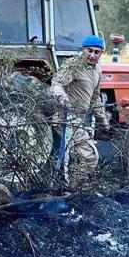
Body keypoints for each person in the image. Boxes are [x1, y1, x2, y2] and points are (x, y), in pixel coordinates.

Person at [50, 35, 110, 186]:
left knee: (73, 159)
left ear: (101, 53)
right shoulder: (74, 65)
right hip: (66, 118)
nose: (92, 55)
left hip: (79, 120)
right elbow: (56, 83)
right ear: (83, 49)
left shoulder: (97, 70)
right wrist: (62, 97)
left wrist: (103, 119)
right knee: (90, 156)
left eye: (97, 52)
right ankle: (73, 189)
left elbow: (95, 98)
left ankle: (70, 187)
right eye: (89, 51)